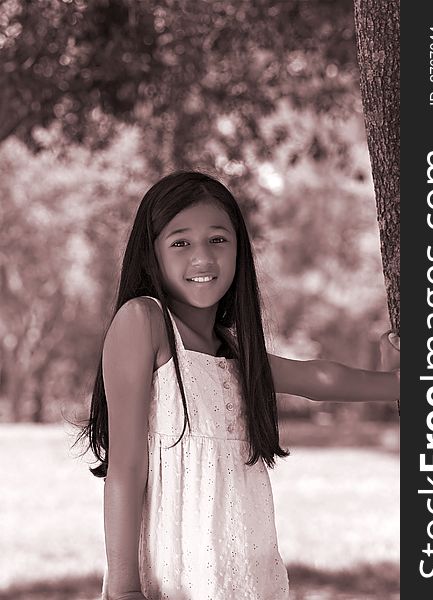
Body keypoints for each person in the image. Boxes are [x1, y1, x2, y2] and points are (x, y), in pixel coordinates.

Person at [76, 170, 400, 600]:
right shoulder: (144, 322)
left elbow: (316, 379)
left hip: (241, 563)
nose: (202, 258)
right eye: (180, 242)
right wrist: (123, 587)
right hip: (173, 565)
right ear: (150, 253)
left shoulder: (230, 349)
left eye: (217, 239)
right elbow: (125, 469)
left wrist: (395, 381)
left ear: (238, 249)